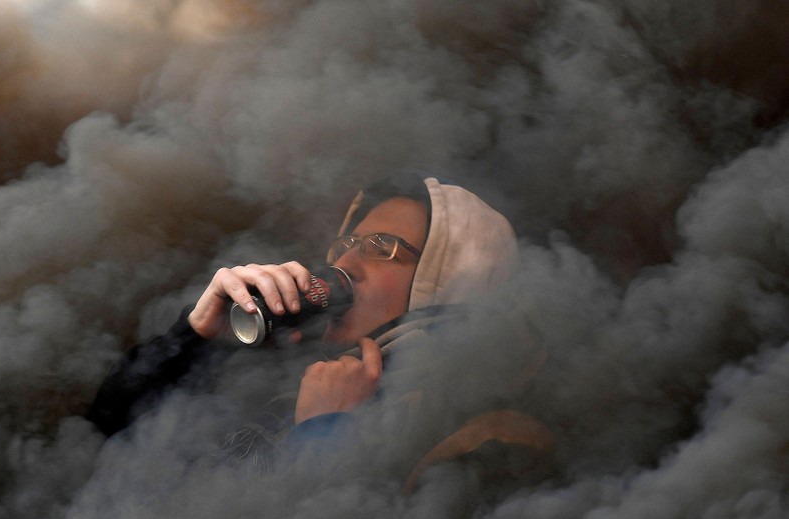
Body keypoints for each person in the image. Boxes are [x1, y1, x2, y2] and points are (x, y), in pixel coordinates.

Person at [87, 172, 552, 482]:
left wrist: (327, 431)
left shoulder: (492, 438)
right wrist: (195, 340)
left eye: (381, 247)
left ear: (451, 282)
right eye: (346, 243)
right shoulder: (278, 380)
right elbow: (101, 438)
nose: (346, 261)